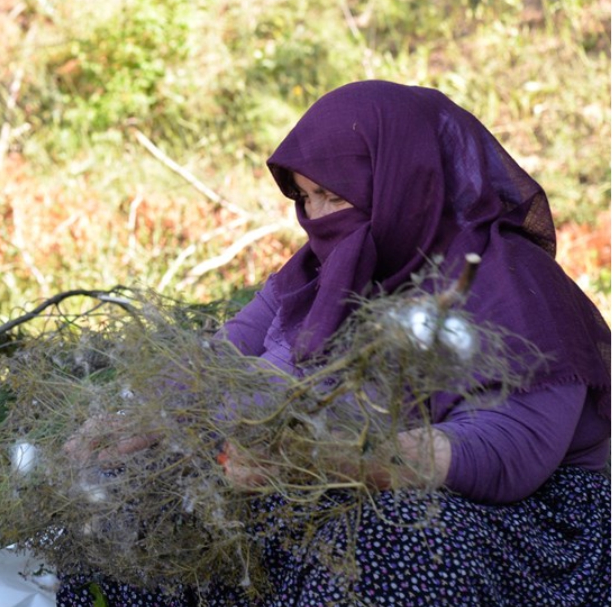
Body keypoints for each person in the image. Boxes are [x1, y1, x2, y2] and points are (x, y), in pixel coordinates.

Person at [58, 81, 611, 606]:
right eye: (304, 197)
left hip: (533, 524)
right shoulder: (318, 273)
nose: (318, 218)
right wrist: (147, 417)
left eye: (331, 194)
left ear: (404, 181)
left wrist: (324, 460)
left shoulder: (514, 285)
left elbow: (507, 451)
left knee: (385, 547)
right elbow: (227, 355)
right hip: (342, 478)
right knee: (132, 499)